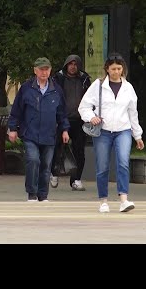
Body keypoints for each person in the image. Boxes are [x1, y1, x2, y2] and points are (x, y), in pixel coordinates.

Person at [78, 53, 144, 213]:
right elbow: (83, 107)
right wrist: (91, 117)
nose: (116, 72)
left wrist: (137, 135)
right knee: (102, 166)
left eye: (119, 68)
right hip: (103, 131)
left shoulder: (128, 88)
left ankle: (124, 199)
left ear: (123, 69)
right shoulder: (98, 85)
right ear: (107, 69)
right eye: (113, 68)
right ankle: (103, 201)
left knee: (123, 163)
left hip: (123, 130)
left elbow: (132, 113)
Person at [8, 57, 70, 202]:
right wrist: (12, 128)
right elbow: (16, 110)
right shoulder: (26, 88)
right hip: (30, 133)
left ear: (50, 70)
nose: (44, 72)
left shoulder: (56, 90)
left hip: (49, 134)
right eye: (41, 69)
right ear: (35, 70)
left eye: (46, 69)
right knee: (33, 160)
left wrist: (65, 129)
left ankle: (43, 195)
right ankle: (32, 193)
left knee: (46, 165)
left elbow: (62, 113)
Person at [50, 54, 92, 191]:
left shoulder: (85, 80)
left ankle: (76, 180)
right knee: (57, 148)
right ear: (66, 65)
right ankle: (54, 173)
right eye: (70, 64)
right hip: (62, 120)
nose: (73, 67)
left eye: (75, 64)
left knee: (79, 150)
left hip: (79, 120)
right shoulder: (58, 78)